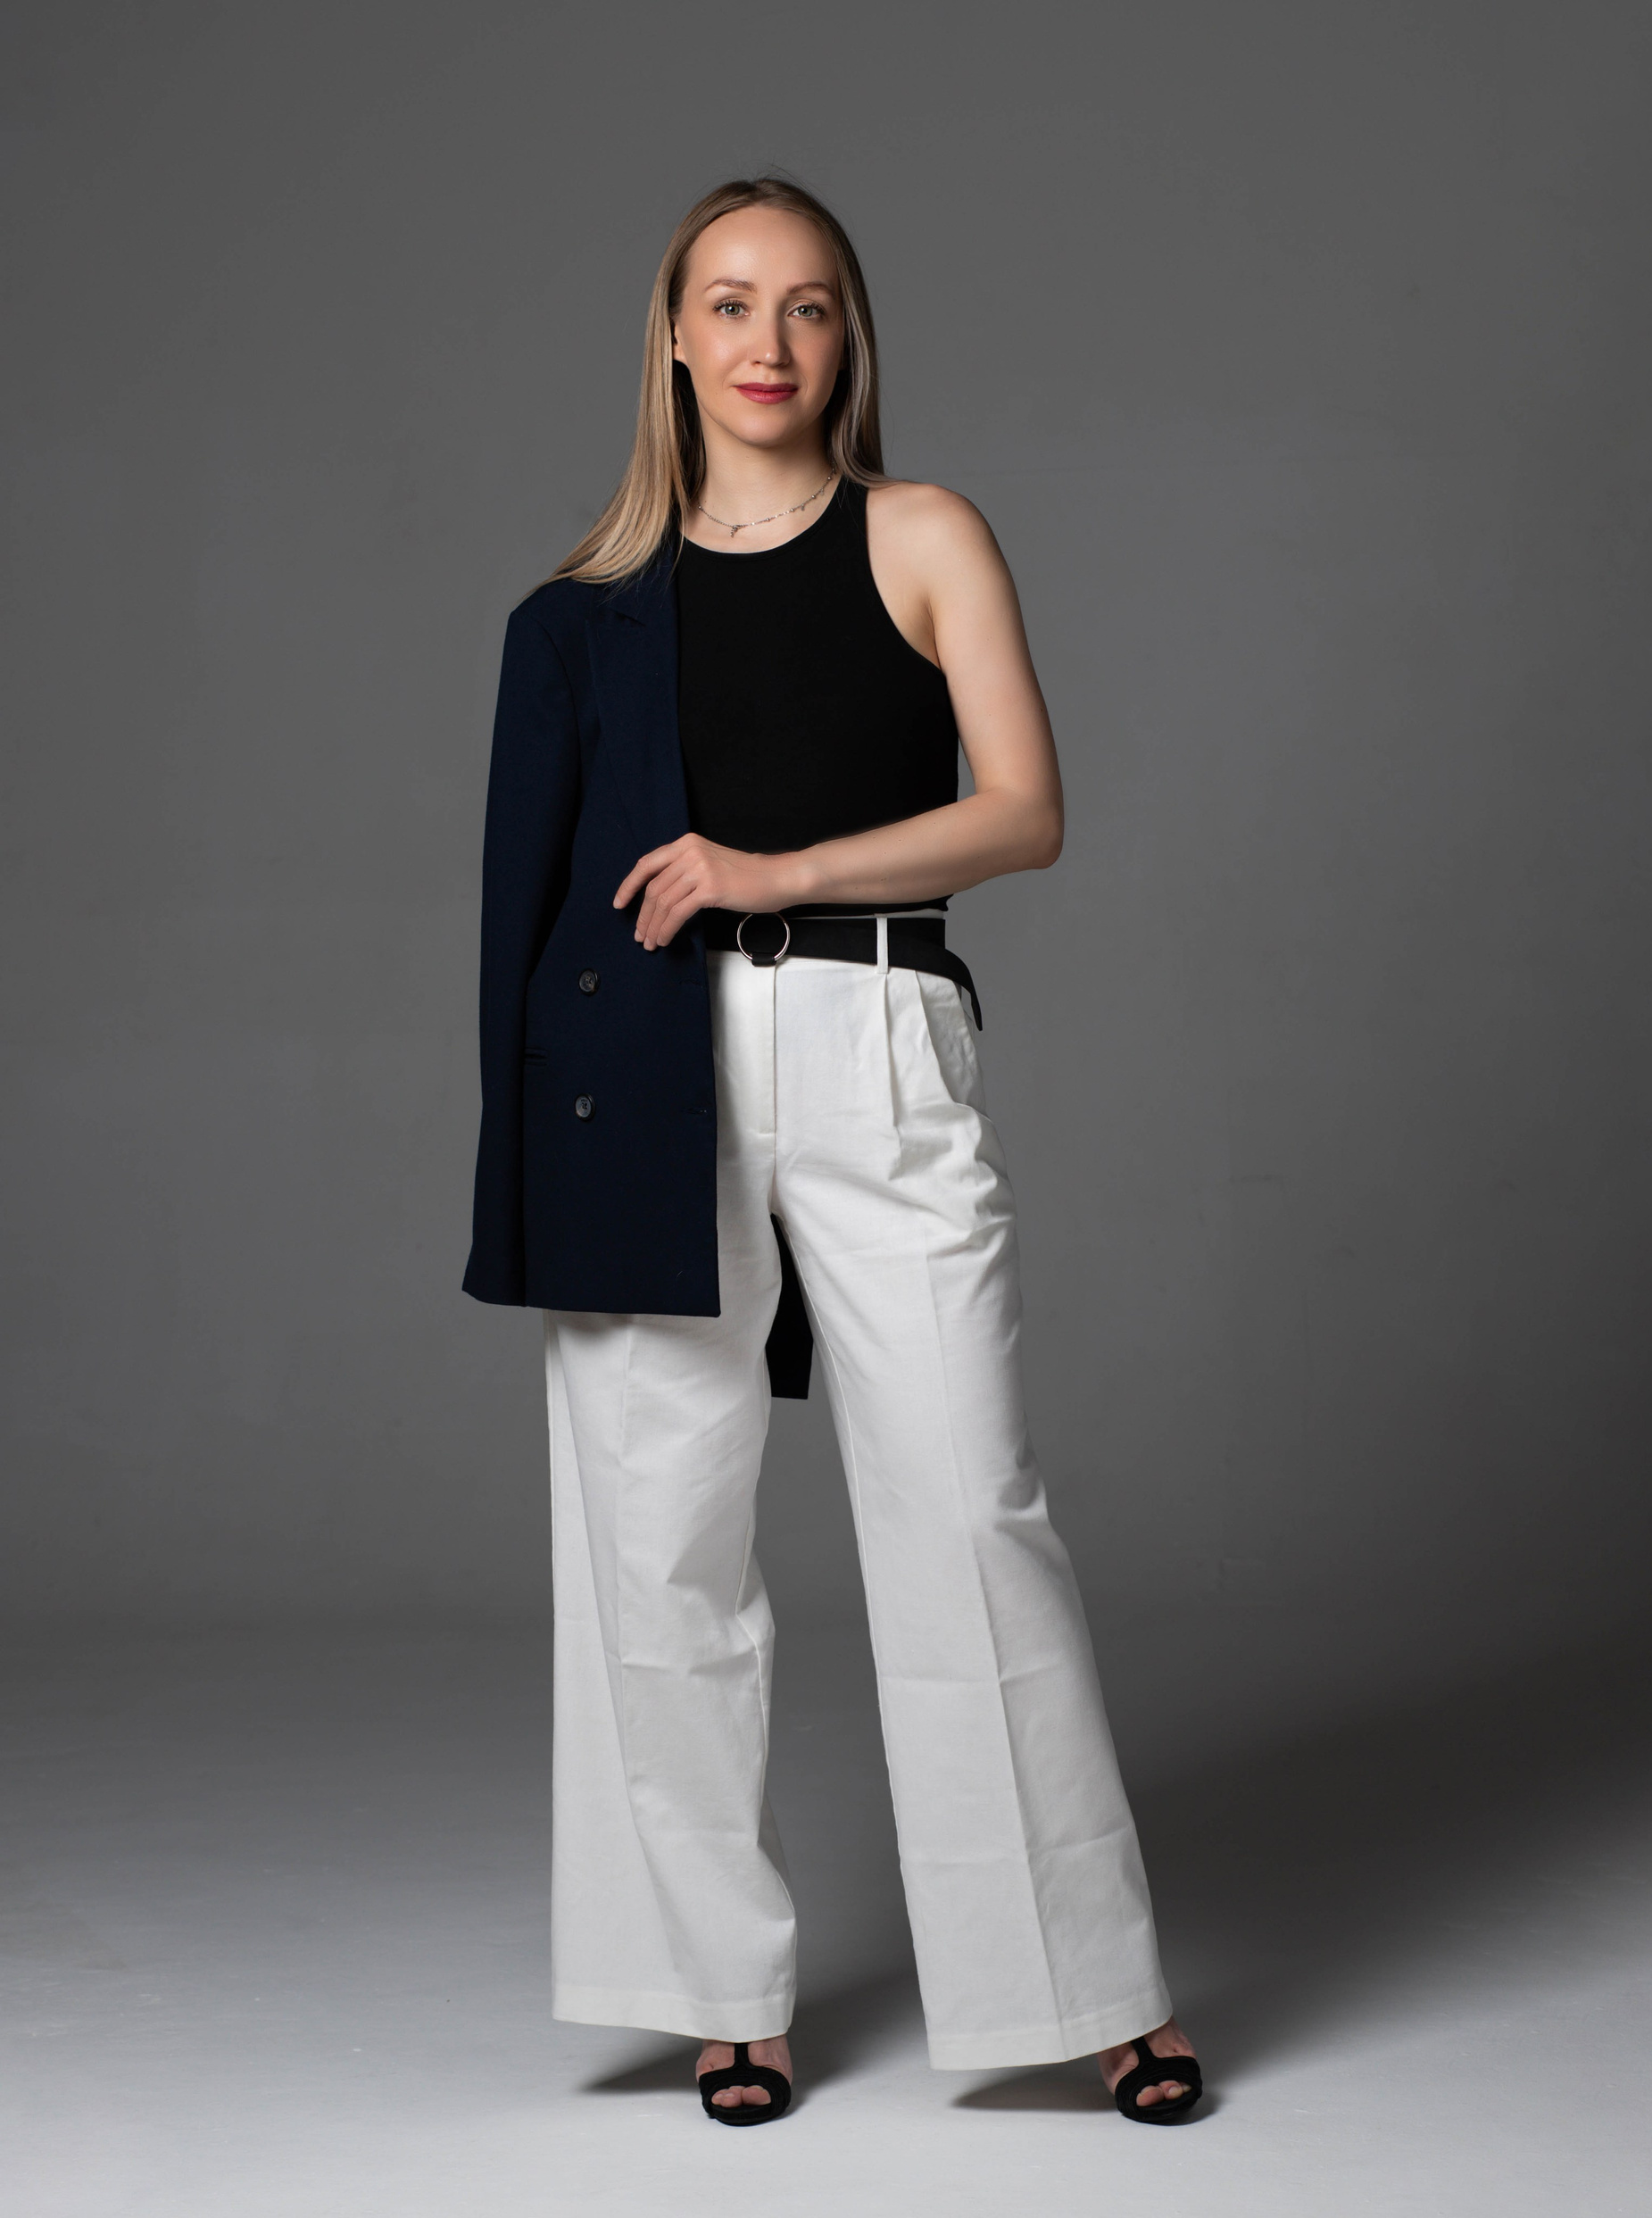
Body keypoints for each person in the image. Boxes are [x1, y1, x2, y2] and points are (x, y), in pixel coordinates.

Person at [462, 175, 1200, 2128]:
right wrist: (523, 1181)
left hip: (875, 1032)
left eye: (805, 304)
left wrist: (775, 870)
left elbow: (1024, 810)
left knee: (968, 1507)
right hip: (643, 1066)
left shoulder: (923, 533)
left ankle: (1085, 1980)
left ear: (846, 334)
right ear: (674, 337)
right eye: (728, 302)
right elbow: (519, 928)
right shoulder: (576, 621)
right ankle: (717, 1990)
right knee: (656, 1541)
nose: (767, 341)